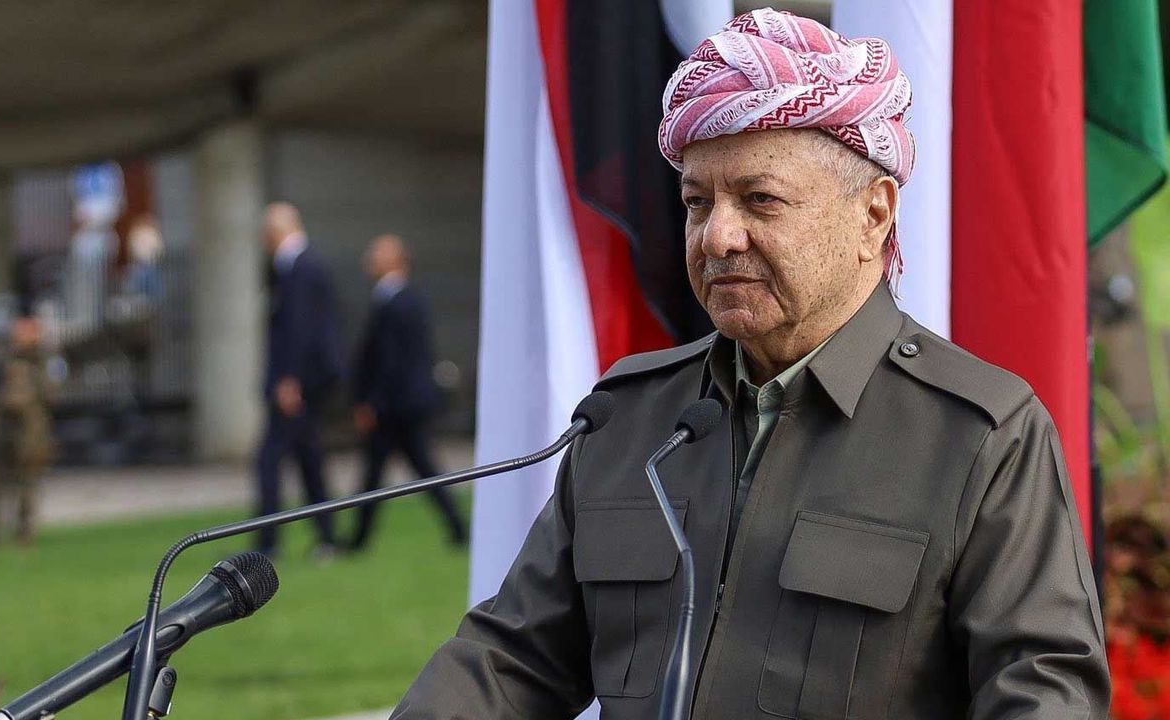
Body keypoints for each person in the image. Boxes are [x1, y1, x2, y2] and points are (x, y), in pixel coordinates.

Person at [393, 9, 1108, 719]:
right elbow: (513, 661)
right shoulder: (628, 417)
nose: (717, 236)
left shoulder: (980, 434)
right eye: (697, 202)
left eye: (760, 200)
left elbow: (1044, 690)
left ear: (874, 216)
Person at [348, 234, 467, 550]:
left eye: (376, 254)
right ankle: (457, 528)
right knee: (396, 471)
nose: (368, 260)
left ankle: (359, 539)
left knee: (406, 470)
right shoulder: (394, 298)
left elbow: (391, 361)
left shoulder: (398, 301)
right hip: (398, 404)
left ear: (395, 260)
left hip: (397, 407)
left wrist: (372, 403)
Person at [255, 202, 344, 560]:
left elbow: (300, 329)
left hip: (297, 385)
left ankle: (268, 543)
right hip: (303, 383)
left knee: (270, 461)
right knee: (308, 460)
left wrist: (290, 380)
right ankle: (325, 536)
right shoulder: (299, 266)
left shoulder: (300, 268)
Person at [0, 315, 54, 547]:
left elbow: (50, 396)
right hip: (3, 434)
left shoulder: (42, 364)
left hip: (31, 435)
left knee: (27, 487)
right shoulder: (1, 363)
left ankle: (24, 534)